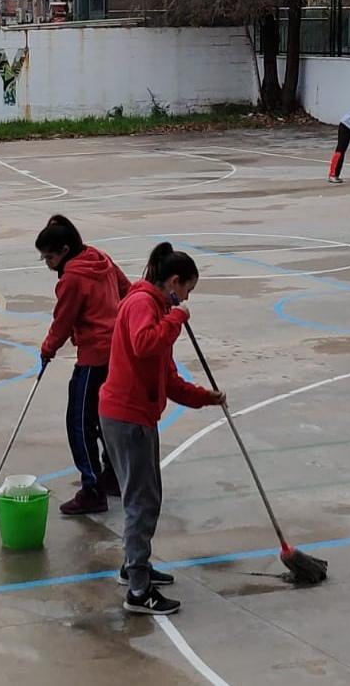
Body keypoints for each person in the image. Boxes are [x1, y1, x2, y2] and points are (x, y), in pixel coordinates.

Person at [98, 243, 226, 616]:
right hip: (127, 416)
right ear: (173, 282)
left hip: (138, 415)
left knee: (146, 496)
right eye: (186, 291)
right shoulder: (143, 306)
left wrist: (207, 397)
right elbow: (143, 344)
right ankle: (138, 589)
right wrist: (176, 320)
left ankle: (133, 565)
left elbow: (167, 378)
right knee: (141, 501)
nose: (186, 300)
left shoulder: (155, 309)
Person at [36, 215, 130, 515]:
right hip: (116, 352)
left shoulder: (72, 278)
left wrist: (48, 348)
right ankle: (114, 476)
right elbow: (126, 289)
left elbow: (62, 321)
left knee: (79, 422)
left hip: (94, 357)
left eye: (49, 257)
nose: (47, 263)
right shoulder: (99, 258)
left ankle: (93, 489)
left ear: (64, 250)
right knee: (106, 418)